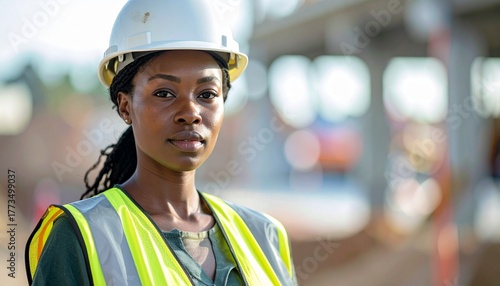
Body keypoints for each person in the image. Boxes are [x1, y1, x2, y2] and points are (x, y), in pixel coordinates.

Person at [25, 0, 297, 285]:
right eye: (165, 93)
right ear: (125, 106)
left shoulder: (265, 236)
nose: (191, 113)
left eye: (207, 94)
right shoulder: (80, 237)